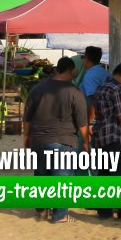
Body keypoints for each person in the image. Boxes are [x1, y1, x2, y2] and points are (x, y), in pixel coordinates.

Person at [23, 56, 89, 224]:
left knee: (41, 175)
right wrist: (86, 142)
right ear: (72, 71)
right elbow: (82, 123)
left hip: (38, 140)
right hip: (64, 141)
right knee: (62, 178)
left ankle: (42, 209)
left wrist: (26, 137)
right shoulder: (75, 92)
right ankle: (59, 215)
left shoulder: (37, 90)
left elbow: (27, 118)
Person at [90, 62, 121, 221]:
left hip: (99, 138)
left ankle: (104, 211)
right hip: (114, 137)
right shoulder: (118, 89)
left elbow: (94, 111)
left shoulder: (100, 87)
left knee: (103, 175)